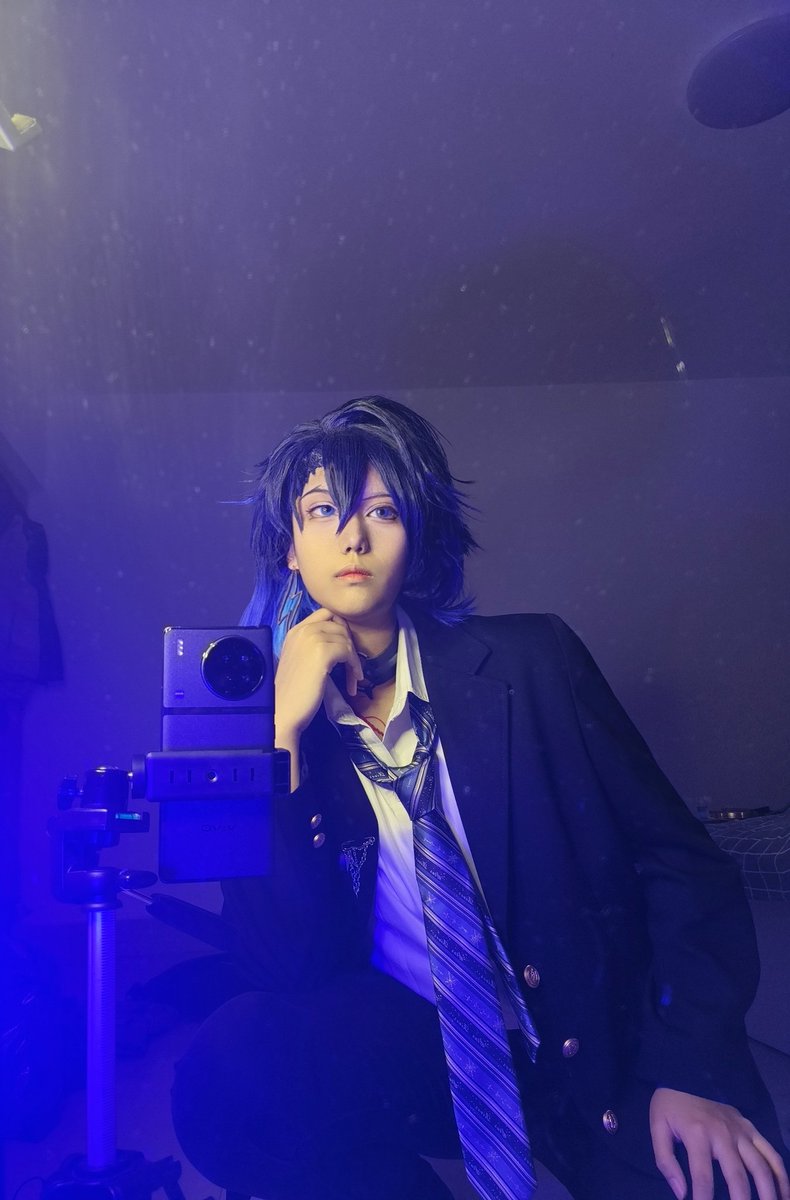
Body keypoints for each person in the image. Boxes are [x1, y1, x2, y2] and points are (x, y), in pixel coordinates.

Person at [171, 396, 790, 1200]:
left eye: (382, 510)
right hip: (421, 1047)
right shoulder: (284, 735)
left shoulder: (533, 662)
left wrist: (690, 1065)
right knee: (230, 1074)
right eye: (322, 511)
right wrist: (281, 739)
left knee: (724, 1183)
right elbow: (282, 968)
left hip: (596, 1039)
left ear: (416, 532)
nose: (353, 538)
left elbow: (685, 867)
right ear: (290, 546)